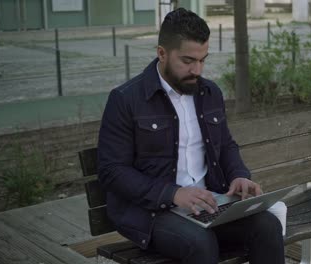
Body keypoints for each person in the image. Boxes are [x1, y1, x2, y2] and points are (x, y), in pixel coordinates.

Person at [97, 8, 285, 264]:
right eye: (187, 61)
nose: (197, 70)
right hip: (152, 213)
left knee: (268, 226)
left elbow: (226, 145)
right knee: (200, 243)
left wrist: (239, 175)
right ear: (161, 53)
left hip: (209, 206)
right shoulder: (126, 99)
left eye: (203, 60)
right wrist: (172, 193)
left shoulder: (210, 93)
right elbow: (112, 171)